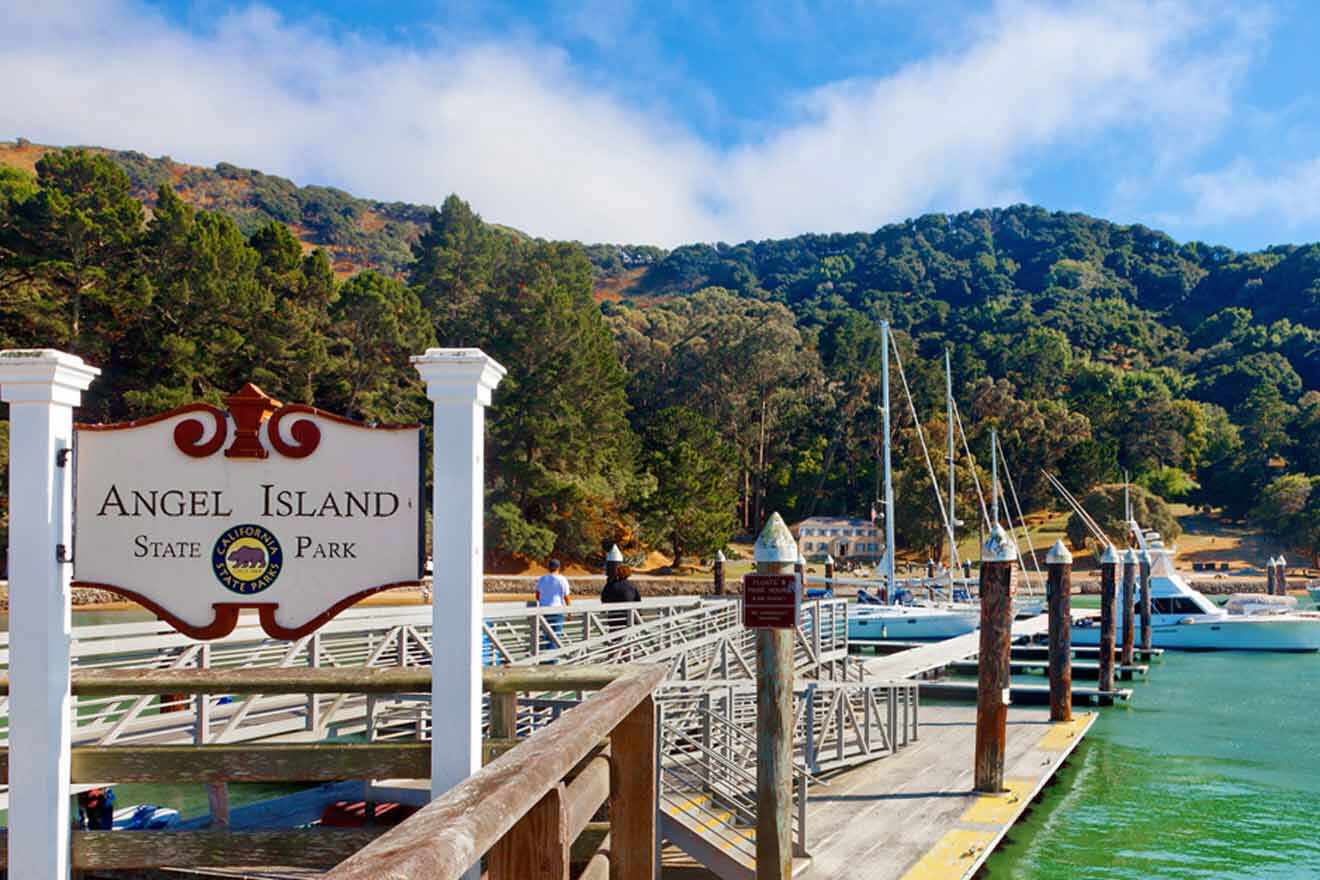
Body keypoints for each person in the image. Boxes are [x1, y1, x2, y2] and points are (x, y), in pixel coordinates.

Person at [535, 560, 572, 649]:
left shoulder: (542, 579)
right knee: (555, 637)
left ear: (548, 567)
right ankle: (552, 660)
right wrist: (569, 612)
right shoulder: (562, 579)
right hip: (557, 611)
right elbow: (566, 597)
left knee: (546, 635)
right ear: (559, 567)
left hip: (544, 610)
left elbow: (537, 595)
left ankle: (546, 658)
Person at [601, 564, 641, 630]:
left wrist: (610, 581)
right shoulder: (632, 586)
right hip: (630, 618)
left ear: (617, 573)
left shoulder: (611, 585)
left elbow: (603, 599)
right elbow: (638, 602)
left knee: (614, 637)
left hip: (614, 618)